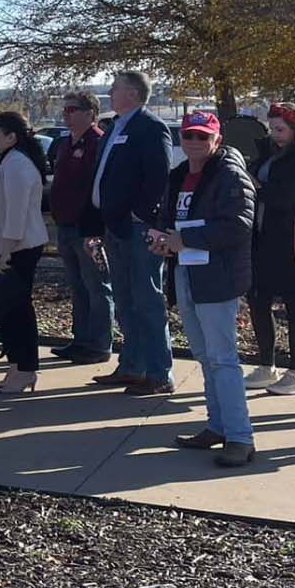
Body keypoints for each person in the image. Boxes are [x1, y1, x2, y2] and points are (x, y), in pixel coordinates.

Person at [149, 111, 258, 466]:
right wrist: (163, 239)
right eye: (189, 135)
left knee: (223, 359)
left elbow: (239, 225)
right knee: (205, 356)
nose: (194, 142)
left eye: (202, 136)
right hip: (186, 272)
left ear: (217, 139)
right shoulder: (179, 174)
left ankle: (240, 437)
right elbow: (169, 218)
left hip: (218, 277)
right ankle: (218, 426)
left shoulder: (230, 175)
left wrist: (186, 239)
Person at [90, 70, 175, 395]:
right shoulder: (115, 127)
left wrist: (140, 214)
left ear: (134, 94)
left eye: (116, 88)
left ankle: (158, 373)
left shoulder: (150, 127)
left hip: (138, 228)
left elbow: (158, 177)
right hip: (114, 226)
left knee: (146, 301)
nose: (110, 92)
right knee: (125, 301)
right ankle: (132, 366)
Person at [0, 111, 49, 393]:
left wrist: (6, 252)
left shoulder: (17, 164)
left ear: (12, 137)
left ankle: (26, 369)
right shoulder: (5, 158)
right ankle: (17, 366)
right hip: (6, 246)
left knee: (18, 310)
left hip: (19, 248)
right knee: (8, 310)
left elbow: (16, 213)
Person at [245, 103, 295, 392]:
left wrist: (258, 188)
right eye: (271, 128)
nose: (275, 134)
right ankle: (266, 365)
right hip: (260, 238)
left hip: (289, 240)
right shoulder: (266, 153)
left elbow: (288, 198)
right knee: (258, 300)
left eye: (280, 129)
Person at [46, 92, 115, 364]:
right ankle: (81, 340)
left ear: (90, 113)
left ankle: (99, 345)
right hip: (65, 226)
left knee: (97, 287)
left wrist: (94, 229)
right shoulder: (65, 143)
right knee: (78, 287)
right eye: (65, 110)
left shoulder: (99, 142)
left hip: (89, 229)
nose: (67, 115)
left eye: (73, 110)